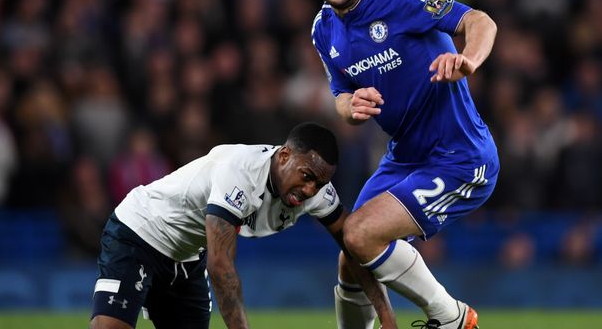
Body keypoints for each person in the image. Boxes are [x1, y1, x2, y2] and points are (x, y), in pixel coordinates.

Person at [301, 0, 499, 329]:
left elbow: (479, 21)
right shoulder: (323, 30)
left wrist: (469, 60)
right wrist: (348, 107)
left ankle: (452, 318)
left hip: (459, 156)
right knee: (350, 257)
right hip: (404, 159)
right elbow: (340, 94)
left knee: (359, 236)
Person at [89, 122, 394, 329]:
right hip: (139, 231)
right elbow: (221, 265)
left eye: (320, 183)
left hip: (185, 256)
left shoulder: (315, 193)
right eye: (307, 177)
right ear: (284, 155)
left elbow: (353, 245)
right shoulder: (240, 171)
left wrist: (386, 316)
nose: (310, 190)